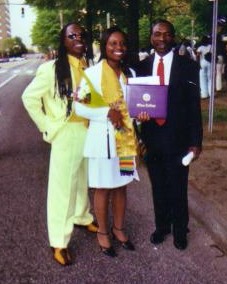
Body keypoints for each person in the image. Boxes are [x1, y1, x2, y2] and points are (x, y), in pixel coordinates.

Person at [22, 23, 98, 266]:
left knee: (82, 179)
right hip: (65, 134)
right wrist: (48, 126)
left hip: (86, 131)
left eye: (81, 35)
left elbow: (90, 98)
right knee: (62, 188)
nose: (78, 38)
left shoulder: (87, 66)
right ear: (63, 41)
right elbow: (29, 98)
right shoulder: (51, 69)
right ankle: (59, 241)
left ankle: (82, 216)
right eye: (71, 35)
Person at [135, 19, 203, 250]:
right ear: (151, 37)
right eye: (157, 34)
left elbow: (194, 106)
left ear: (173, 37)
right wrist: (139, 120)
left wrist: (195, 142)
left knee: (178, 186)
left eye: (166, 34)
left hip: (179, 138)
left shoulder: (188, 66)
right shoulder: (141, 68)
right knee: (158, 186)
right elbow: (136, 106)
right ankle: (162, 226)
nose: (161, 39)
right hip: (152, 137)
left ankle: (180, 231)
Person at [73, 26, 138, 257]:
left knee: (121, 186)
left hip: (126, 141)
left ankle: (118, 229)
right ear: (104, 46)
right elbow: (78, 106)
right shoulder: (91, 74)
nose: (118, 48)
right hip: (103, 141)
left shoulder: (128, 74)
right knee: (103, 187)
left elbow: (135, 106)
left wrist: (140, 114)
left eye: (122, 44)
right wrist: (105, 113)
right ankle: (103, 232)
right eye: (113, 43)